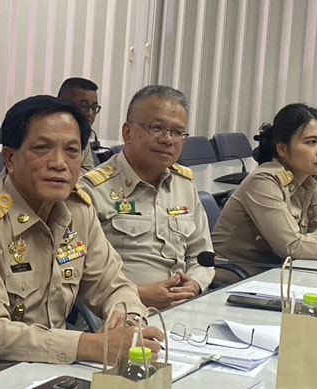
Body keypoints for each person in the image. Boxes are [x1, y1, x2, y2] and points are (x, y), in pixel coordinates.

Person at [0, 95, 161, 378]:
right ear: (10, 159)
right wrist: (91, 346)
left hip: (52, 373)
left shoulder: (78, 211)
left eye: (72, 151)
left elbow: (115, 286)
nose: (59, 163)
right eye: (42, 149)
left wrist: (127, 323)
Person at [79, 85, 215, 310]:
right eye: (157, 128)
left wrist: (195, 284)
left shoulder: (184, 184)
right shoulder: (92, 190)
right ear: (127, 133)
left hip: (186, 309)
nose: (167, 140)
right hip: (122, 313)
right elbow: (77, 275)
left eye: (177, 132)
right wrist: (137, 295)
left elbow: (201, 254)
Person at [212, 103, 317, 271]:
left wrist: (302, 241)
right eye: (312, 142)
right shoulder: (264, 181)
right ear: (282, 149)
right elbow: (291, 247)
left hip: (280, 271)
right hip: (237, 276)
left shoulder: (310, 178)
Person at [57, 77, 103, 170]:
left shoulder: (81, 133)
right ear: (63, 104)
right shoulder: (49, 132)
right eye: (84, 105)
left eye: (94, 107)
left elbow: (88, 170)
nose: (90, 113)